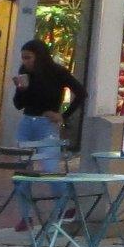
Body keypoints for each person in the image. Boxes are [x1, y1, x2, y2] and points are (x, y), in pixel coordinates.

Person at [12, 39, 86, 169]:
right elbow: (18, 104)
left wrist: (64, 115)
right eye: (23, 58)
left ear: (39, 57)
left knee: (50, 167)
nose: (25, 61)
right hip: (27, 121)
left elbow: (81, 93)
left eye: (28, 58)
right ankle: (23, 189)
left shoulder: (57, 72)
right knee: (22, 167)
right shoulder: (25, 71)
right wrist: (21, 89)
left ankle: (61, 189)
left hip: (47, 123)